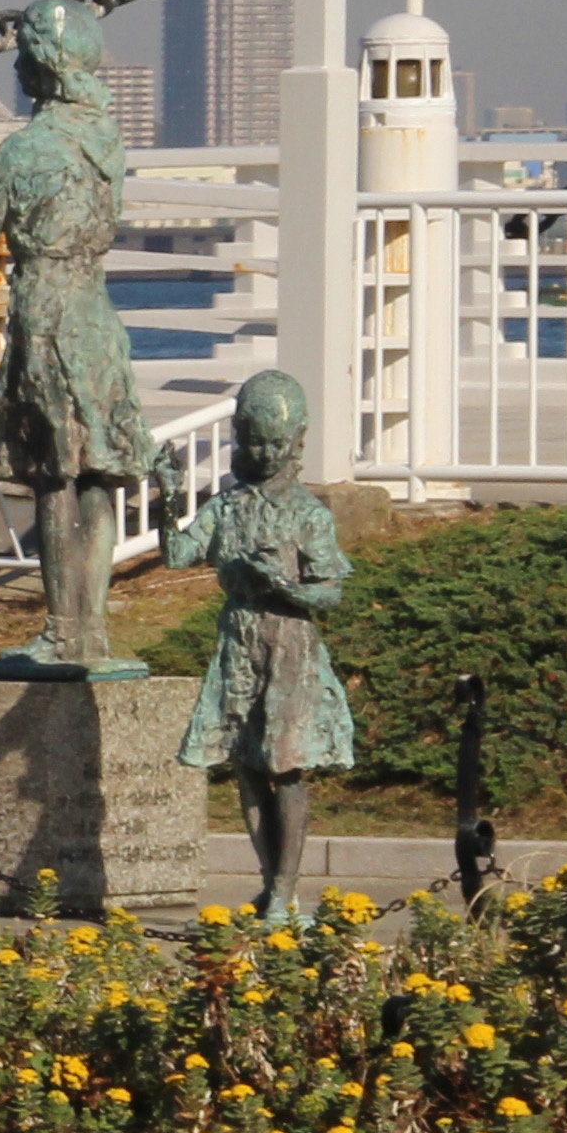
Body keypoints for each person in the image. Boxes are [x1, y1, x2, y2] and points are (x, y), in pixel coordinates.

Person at [0, 0, 152, 674]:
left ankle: (62, 630)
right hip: (98, 316)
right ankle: (93, 631)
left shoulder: (26, 150)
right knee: (99, 473)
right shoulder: (108, 142)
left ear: (42, 64)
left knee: (54, 477)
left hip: (46, 313)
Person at [165, 369, 353, 920]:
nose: (265, 452)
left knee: (286, 766)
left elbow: (331, 592)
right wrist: (168, 495)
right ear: (240, 440)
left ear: (297, 444)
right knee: (246, 765)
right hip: (238, 643)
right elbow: (178, 554)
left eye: (277, 443)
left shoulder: (308, 513)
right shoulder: (228, 507)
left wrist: (286, 586)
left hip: (289, 644)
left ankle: (287, 891)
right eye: (254, 440)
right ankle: (271, 886)